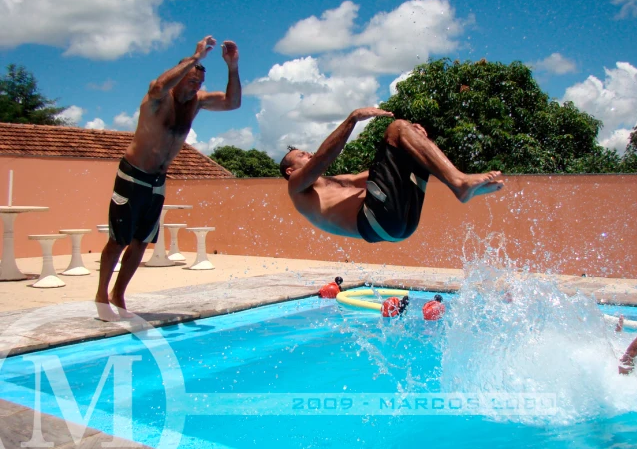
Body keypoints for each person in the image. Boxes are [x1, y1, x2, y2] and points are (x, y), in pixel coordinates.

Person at [95, 36, 241, 321]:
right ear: (180, 77)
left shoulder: (196, 103)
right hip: (132, 175)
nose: (195, 88)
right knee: (119, 240)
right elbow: (157, 85)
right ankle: (101, 295)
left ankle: (118, 294)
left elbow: (233, 103)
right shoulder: (158, 99)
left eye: (198, 84)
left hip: (157, 182)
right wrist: (195, 56)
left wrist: (232, 67)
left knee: (141, 242)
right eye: (190, 81)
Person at [280, 107, 504, 243]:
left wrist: (415, 145)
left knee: (410, 144)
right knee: (396, 127)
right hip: (375, 221)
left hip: (399, 226)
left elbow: (377, 173)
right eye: (301, 154)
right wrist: (352, 119)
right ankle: (459, 183)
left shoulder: (337, 181)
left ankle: (459, 183)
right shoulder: (296, 186)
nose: (308, 153)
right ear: (290, 170)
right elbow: (322, 158)